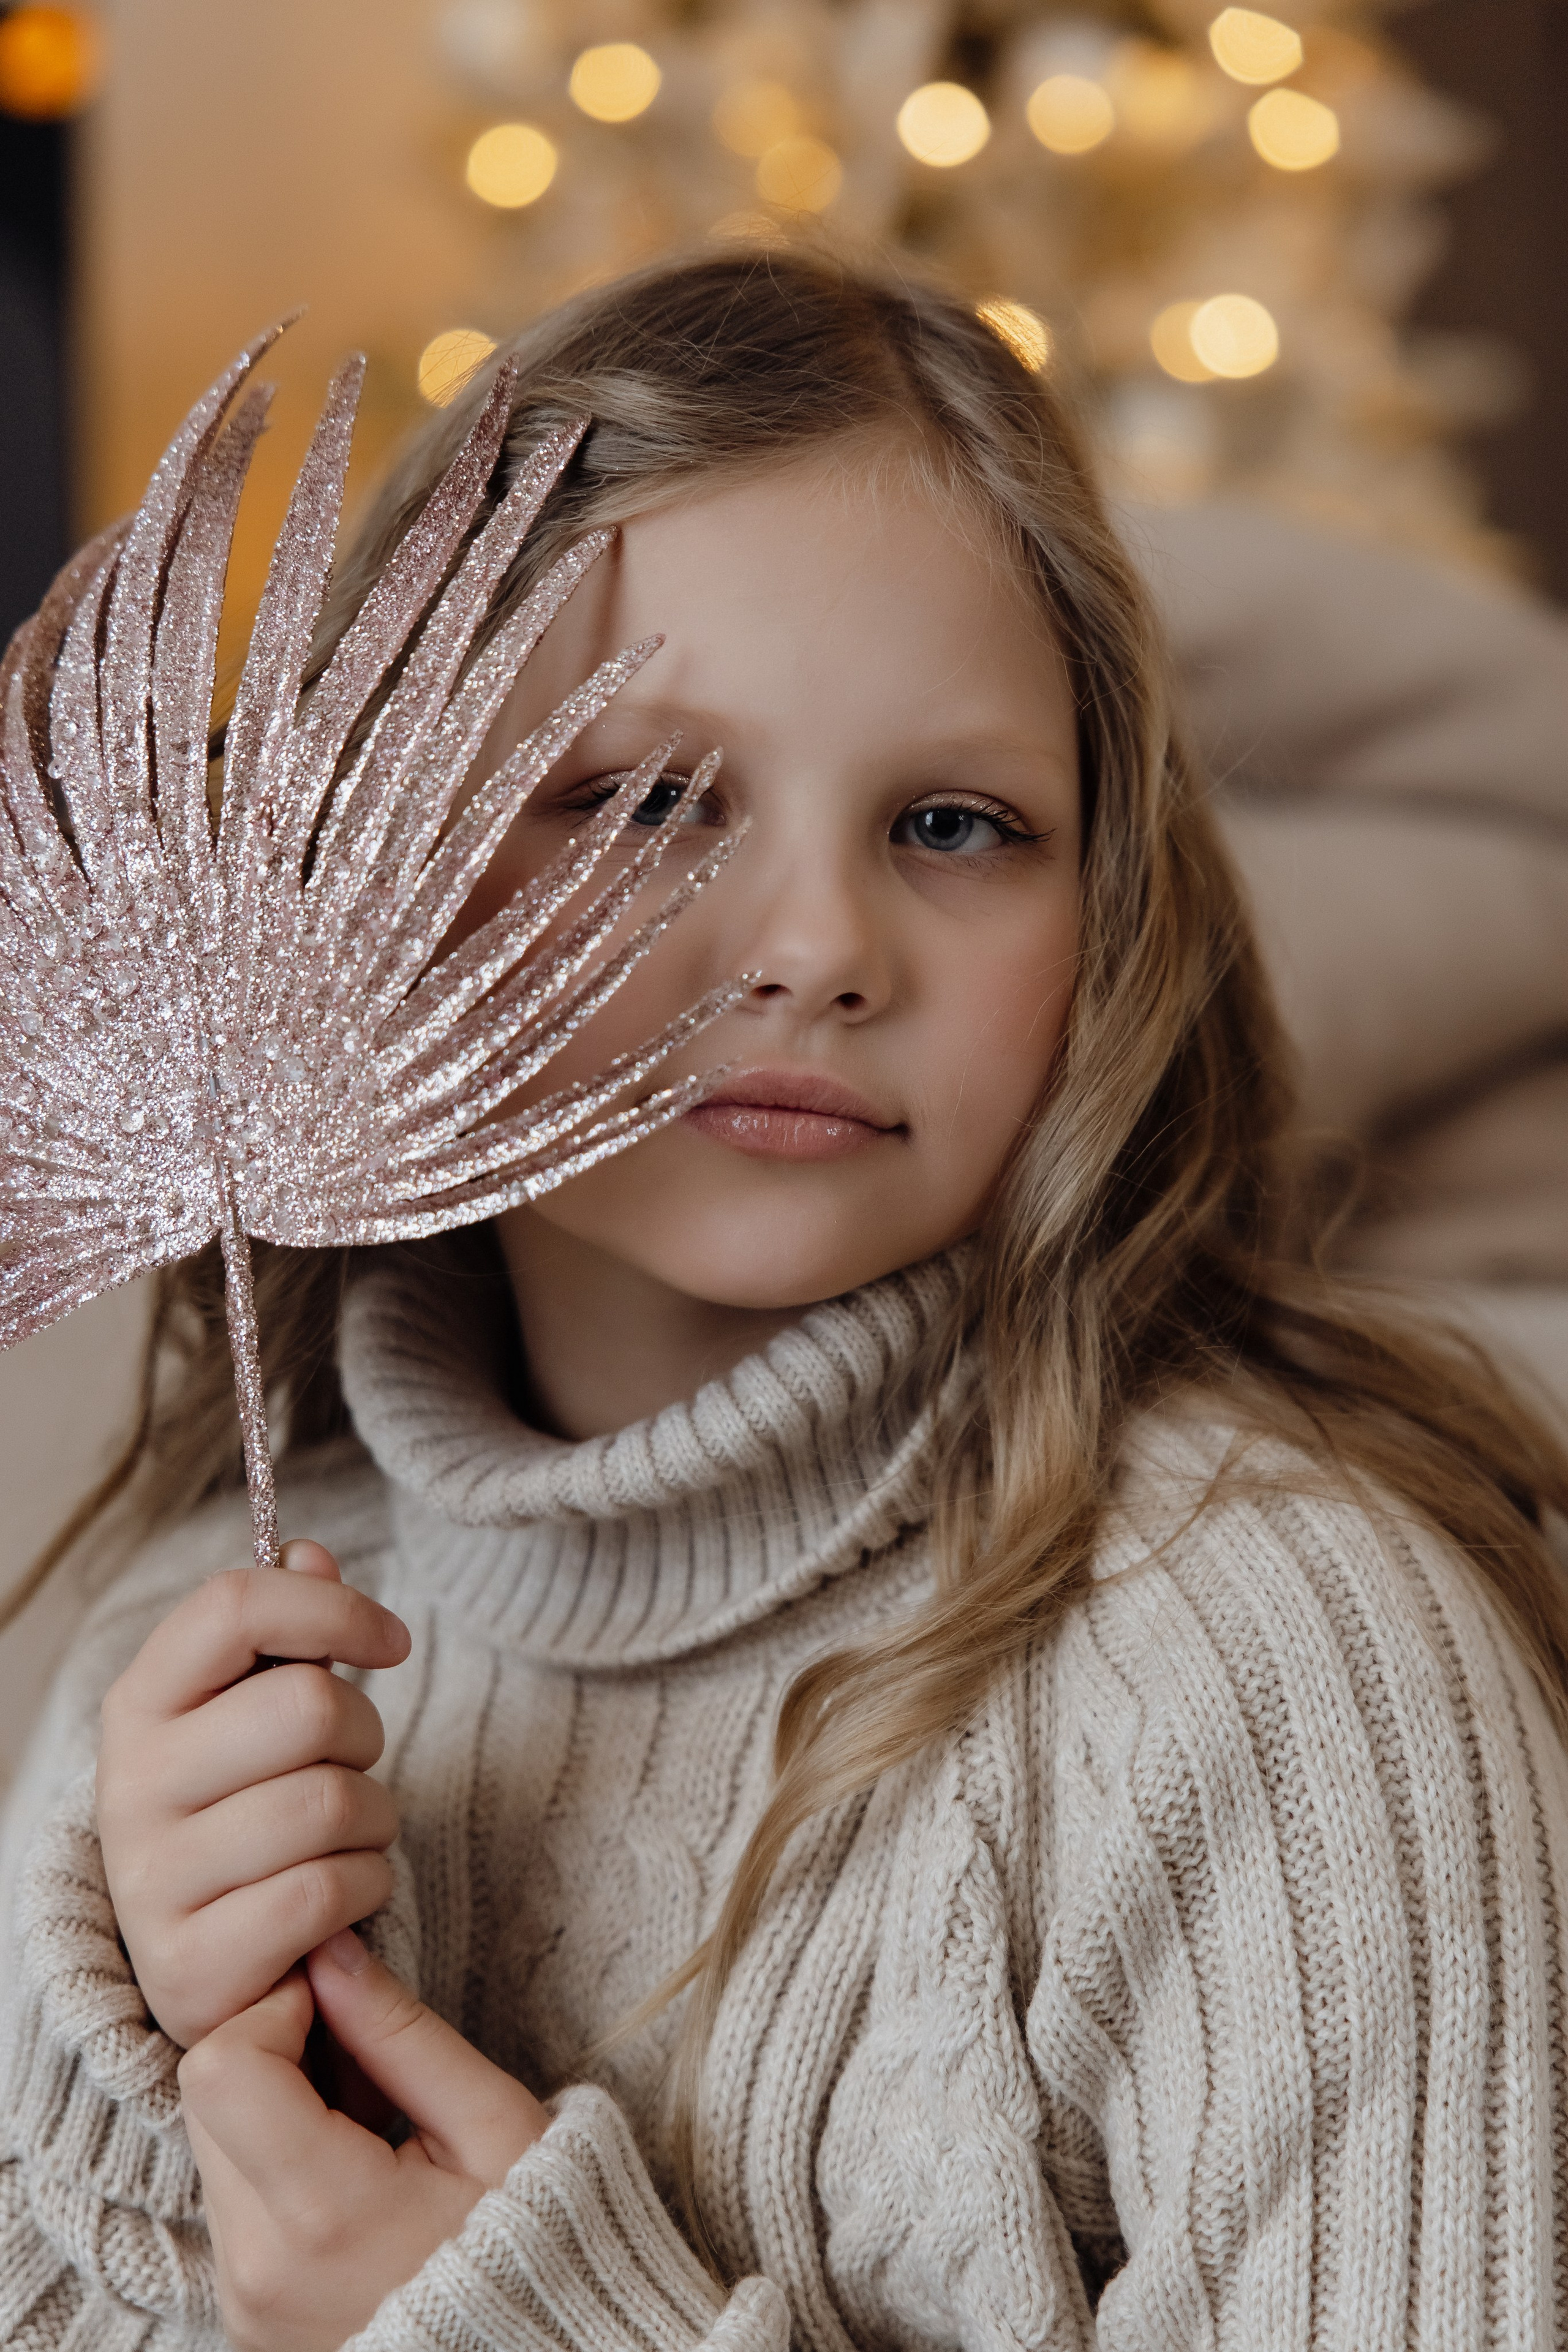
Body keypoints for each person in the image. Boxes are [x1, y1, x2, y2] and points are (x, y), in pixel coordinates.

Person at [4, 248, 1568, 2352]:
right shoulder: (173, 1680)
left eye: (954, 823)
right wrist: (163, 2102)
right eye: (645, 798)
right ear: (362, 858)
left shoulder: (1286, 1685)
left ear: (1107, 913)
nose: (823, 941)